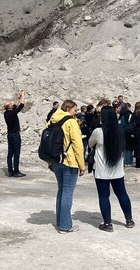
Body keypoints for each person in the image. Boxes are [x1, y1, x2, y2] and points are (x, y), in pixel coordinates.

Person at [89, 104, 135, 232]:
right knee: (122, 194)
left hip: (102, 170)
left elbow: (90, 144)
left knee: (104, 196)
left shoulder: (98, 132)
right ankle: (129, 219)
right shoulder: (120, 130)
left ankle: (108, 223)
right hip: (117, 170)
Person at [49, 100, 85, 233]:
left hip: (56, 161)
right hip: (69, 161)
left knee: (61, 191)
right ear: (68, 108)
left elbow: (49, 142)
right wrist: (82, 165)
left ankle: (60, 221)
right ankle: (65, 225)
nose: (76, 113)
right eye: (75, 110)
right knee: (67, 193)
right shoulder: (71, 122)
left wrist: (50, 162)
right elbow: (77, 145)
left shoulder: (52, 120)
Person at [3, 90, 27, 177]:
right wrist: (23, 96)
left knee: (10, 153)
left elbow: (15, 104)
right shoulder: (12, 113)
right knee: (16, 153)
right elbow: (21, 105)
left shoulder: (6, 113)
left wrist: (19, 96)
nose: (11, 103)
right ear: (9, 106)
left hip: (9, 135)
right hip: (15, 135)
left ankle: (10, 171)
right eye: (10, 103)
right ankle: (16, 171)